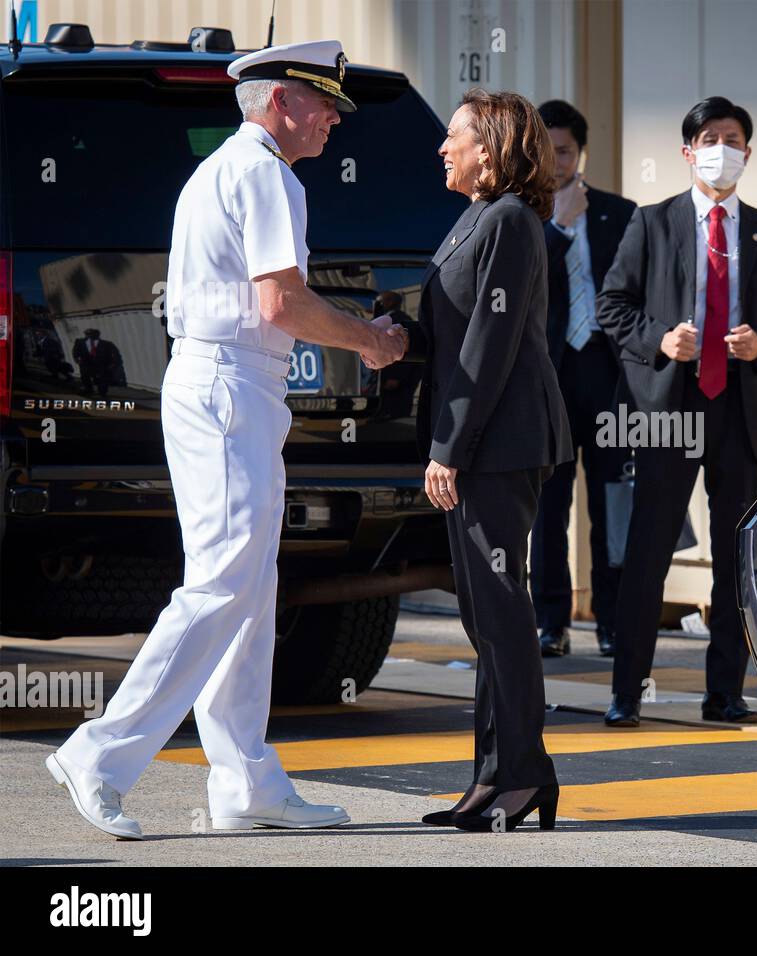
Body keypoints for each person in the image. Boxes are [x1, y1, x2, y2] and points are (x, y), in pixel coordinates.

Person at [45, 40, 408, 839]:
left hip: (228, 385)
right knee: (221, 586)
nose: (336, 121)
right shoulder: (267, 174)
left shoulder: (228, 170)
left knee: (249, 587)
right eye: (325, 105)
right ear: (282, 103)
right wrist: (368, 341)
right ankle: (100, 754)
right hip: (231, 385)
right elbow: (283, 304)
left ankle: (244, 779)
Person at [596, 96, 757, 727]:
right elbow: (613, 305)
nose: (724, 150)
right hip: (669, 404)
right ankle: (626, 690)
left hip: (738, 408)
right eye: (711, 139)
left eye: (735, 139)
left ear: (748, 152)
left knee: (736, 555)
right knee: (649, 550)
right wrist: (660, 338)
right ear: (688, 151)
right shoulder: (652, 223)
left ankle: (725, 691)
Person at [415, 88, 573, 832]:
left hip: (499, 446)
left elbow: (490, 344)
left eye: (455, 137)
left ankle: (525, 775)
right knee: (484, 615)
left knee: (504, 615)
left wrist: (448, 449)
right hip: (479, 443)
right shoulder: (477, 217)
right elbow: (450, 324)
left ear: (492, 147)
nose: (443, 148)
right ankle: (491, 777)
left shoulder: (511, 221)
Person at [530, 99, 636, 659]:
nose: (555, 164)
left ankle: (613, 620)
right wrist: (559, 226)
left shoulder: (622, 215)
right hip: (547, 376)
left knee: (613, 502)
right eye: (546, 153)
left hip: (607, 376)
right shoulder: (522, 217)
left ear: (582, 152)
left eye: (565, 152)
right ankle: (551, 620)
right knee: (547, 504)